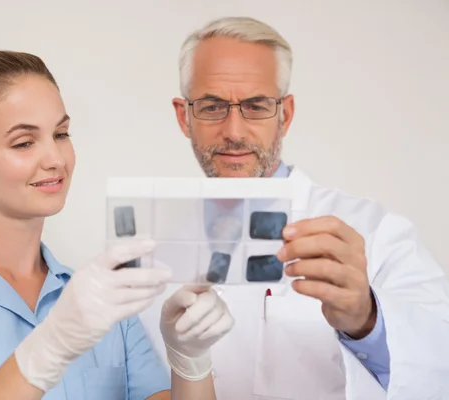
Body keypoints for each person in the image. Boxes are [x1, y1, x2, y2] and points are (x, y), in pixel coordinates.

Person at [0, 50, 234, 400]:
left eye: (61, 134)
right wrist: (48, 348)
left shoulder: (99, 299)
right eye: (23, 142)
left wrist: (190, 361)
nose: (55, 158)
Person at [138, 16, 449, 399]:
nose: (234, 131)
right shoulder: (143, 248)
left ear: (285, 113)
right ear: (184, 116)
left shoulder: (374, 231)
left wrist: (367, 319)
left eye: (255, 106)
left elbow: (439, 360)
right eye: (212, 106)